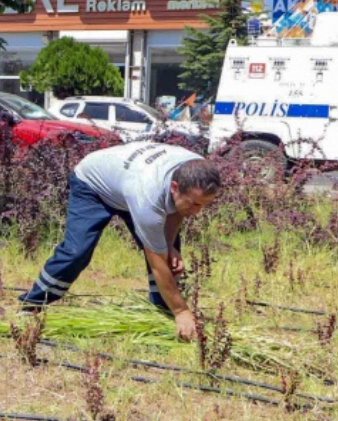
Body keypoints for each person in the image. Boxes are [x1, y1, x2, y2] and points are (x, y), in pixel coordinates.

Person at [20, 142, 222, 342]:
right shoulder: (148, 196)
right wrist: (182, 310)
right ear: (175, 187)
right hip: (93, 184)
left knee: (169, 255)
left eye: (204, 205)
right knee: (77, 252)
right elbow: (157, 261)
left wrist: (169, 244)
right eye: (194, 204)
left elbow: (177, 209)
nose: (197, 212)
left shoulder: (197, 171)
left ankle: (162, 313)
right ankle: (32, 304)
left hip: (129, 181)